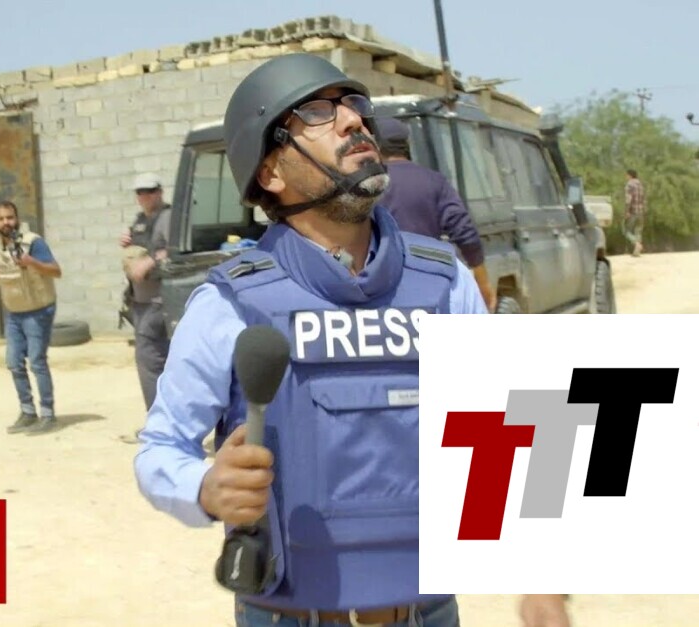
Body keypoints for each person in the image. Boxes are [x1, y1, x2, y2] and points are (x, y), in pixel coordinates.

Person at [133, 53, 570, 627]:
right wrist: (205, 487)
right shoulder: (229, 303)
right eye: (317, 113)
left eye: (354, 105)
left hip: (425, 612)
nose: (353, 121)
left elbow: (514, 428)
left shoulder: (444, 282)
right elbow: (161, 448)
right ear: (271, 172)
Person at [375, 117, 497, 311]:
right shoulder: (434, 180)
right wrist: (483, 282)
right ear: (407, 144)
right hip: (428, 282)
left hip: (381, 288)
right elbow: (464, 231)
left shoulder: (369, 184)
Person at [0, 201, 62, 434]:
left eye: (9, 218)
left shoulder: (33, 242)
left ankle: (48, 414)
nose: (6, 223)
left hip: (39, 310)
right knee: (13, 362)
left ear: (16, 219)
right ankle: (27, 412)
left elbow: (56, 271)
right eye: (0, 219)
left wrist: (32, 262)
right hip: (15, 312)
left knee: (37, 362)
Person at [118, 172, 172, 438]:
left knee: (149, 363)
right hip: (140, 301)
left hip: (158, 301)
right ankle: (165, 423)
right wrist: (127, 243)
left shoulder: (167, 218)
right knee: (158, 363)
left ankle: (159, 426)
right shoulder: (141, 220)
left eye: (150, 191)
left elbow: (175, 247)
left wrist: (149, 262)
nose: (145, 196)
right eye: (141, 192)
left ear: (160, 192)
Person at [623, 169, 646, 256]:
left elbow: (628, 199)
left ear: (630, 175)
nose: (625, 177)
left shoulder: (629, 184)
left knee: (626, 230)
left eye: (626, 175)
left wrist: (627, 211)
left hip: (633, 211)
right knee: (638, 231)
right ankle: (637, 250)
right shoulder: (640, 185)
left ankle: (636, 244)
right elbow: (643, 199)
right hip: (641, 211)